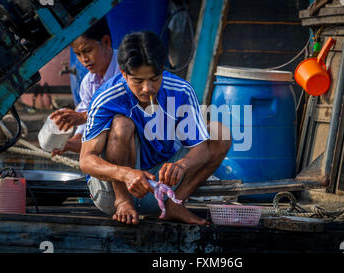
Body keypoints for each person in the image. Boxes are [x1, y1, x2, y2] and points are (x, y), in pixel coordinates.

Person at [80, 31, 231, 225]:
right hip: (111, 194)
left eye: (154, 78)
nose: (147, 88)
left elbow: (201, 148)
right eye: (138, 81)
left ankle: (176, 205)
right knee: (121, 124)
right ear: (123, 73)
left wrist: (181, 165)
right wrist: (126, 173)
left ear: (162, 69)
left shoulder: (181, 91)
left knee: (220, 133)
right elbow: (86, 160)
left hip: (161, 190)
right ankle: (123, 201)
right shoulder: (107, 97)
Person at [49, 17, 120, 155]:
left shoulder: (127, 70)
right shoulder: (88, 83)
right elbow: (85, 132)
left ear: (106, 42)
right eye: (78, 54)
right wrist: (66, 144)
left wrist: (83, 117)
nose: (83, 59)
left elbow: (127, 110)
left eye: (87, 51)